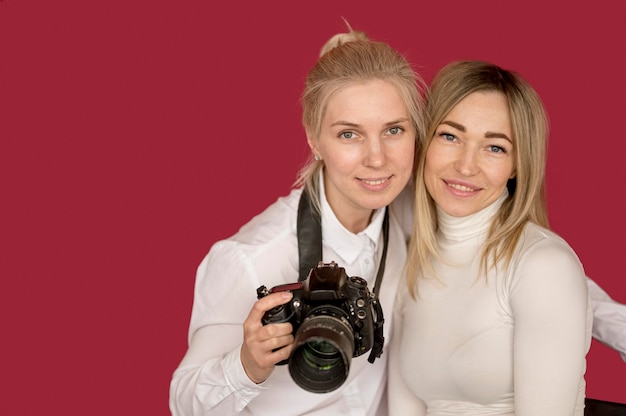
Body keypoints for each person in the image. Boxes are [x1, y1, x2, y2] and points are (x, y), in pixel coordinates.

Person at [169, 25, 427, 416]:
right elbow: (183, 402)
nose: (377, 158)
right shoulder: (252, 260)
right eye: (349, 135)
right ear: (313, 137)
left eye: (394, 130)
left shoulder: (409, 215)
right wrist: (246, 365)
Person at [388, 60, 593, 415]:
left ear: (518, 164)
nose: (466, 166)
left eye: (494, 147)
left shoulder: (543, 267)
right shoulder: (411, 265)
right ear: (425, 143)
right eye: (450, 136)